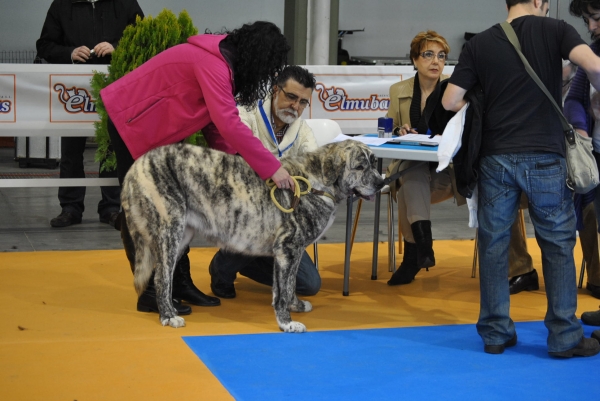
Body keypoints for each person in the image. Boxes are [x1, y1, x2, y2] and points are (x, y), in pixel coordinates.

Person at [100, 21, 293, 315]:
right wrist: (272, 169)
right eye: (268, 66)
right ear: (258, 56)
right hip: (132, 123)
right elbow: (229, 123)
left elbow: (214, 124)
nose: (267, 74)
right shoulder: (212, 64)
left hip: (159, 128)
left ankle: (179, 283)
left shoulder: (223, 64)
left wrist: (235, 166)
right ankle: (150, 290)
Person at [442, 0, 600, 357]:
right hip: (545, 154)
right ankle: (564, 336)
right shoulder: (557, 30)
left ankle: (496, 333)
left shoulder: (479, 43)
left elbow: (451, 100)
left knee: (493, 243)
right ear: (541, 1)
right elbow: (593, 65)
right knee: (557, 244)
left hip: (495, 157)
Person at [384, 31, 533, 287]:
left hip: (453, 172)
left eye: (441, 56)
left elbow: (475, 124)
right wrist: (401, 130)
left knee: (409, 180)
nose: (435, 61)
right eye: (428, 54)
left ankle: (415, 255)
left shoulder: (456, 87)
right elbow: (392, 128)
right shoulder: (398, 90)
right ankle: (423, 249)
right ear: (414, 59)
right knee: (410, 173)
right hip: (418, 171)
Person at [209, 65, 321, 299]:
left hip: (283, 217)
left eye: (303, 102)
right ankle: (223, 267)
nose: (295, 106)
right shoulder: (244, 116)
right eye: (291, 97)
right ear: (274, 90)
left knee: (309, 285)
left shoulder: (303, 131)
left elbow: (312, 170)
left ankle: (241, 259)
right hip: (240, 210)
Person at [36, 0, 144, 228]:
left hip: (115, 86)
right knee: (70, 151)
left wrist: (117, 47)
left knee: (112, 149)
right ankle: (70, 208)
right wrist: (70, 53)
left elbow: (142, 38)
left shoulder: (125, 4)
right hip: (73, 93)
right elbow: (44, 45)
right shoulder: (61, 5)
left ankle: (112, 208)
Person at [564, 0, 600, 330]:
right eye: (589, 20)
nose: (591, 27)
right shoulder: (593, 51)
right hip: (596, 153)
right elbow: (574, 98)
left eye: (596, 19)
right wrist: (581, 129)